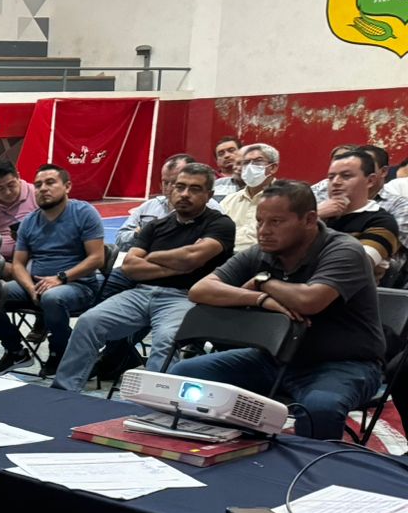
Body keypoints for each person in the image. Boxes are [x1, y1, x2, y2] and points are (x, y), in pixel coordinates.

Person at [171, 180, 384, 441]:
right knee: (186, 375)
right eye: (260, 221)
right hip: (274, 356)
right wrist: (262, 299)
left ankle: (315, 474)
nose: (263, 231)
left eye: (276, 222)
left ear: (309, 220)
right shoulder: (262, 251)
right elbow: (200, 290)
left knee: (320, 408)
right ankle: (215, 454)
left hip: (343, 363)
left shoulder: (343, 250)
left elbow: (310, 301)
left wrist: (264, 281)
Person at [49, 162, 235, 391]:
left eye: (195, 189)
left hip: (185, 298)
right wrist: (181, 265)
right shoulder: (156, 226)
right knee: (88, 322)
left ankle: (153, 406)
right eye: (180, 186)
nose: (185, 194)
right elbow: (130, 266)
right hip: (140, 293)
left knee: (166, 339)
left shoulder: (220, 224)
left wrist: (155, 257)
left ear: (209, 195)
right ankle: (64, 391)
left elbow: (192, 257)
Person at [0, 165, 107, 376]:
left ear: (67, 186)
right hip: (37, 284)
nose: (43, 189)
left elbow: (97, 258)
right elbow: (18, 264)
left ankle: (59, 353)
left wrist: (61, 278)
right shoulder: (29, 222)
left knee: (52, 298)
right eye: (39, 184)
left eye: (50, 183)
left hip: (78, 285)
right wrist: (30, 287)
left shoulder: (84, 212)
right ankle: (15, 350)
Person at [320, 147, 399, 275]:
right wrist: (316, 216)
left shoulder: (382, 222)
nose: (335, 182)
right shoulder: (318, 215)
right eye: (331, 177)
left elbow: (353, 266)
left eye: (346, 176)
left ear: (370, 180)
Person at [112, 154, 204, 253]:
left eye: (175, 182)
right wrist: (138, 234)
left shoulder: (209, 209)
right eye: (165, 182)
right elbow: (120, 240)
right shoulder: (149, 207)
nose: (169, 187)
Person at [217, 143, 277, 251]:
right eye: (246, 162)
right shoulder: (229, 201)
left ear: (272, 168)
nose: (250, 167)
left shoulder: (285, 199)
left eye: (257, 161)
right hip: (227, 258)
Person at [0, 159, 35, 262]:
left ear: (18, 177)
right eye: (0, 188)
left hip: (34, 256)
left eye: (11, 185)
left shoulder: (36, 194)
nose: (7, 192)